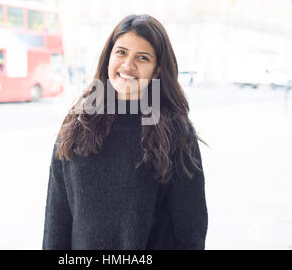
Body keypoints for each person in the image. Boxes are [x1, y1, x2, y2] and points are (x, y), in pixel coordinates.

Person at [43, 14, 208, 250]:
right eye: (121, 52)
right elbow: (56, 219)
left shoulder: (175, 133)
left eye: (142, 57)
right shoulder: (77, 125)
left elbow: (190, 231)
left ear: (157, 69)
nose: (128, 65)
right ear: (108, 56)